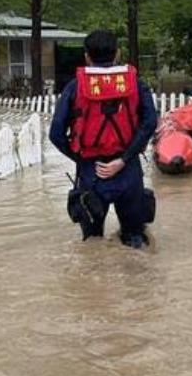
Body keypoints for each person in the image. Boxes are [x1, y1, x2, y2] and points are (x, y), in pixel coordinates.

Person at [50, 30, 159, 248]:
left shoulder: (74, 87)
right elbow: (149, 124)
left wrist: (81, 159)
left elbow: (56, 134)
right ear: (118, 54)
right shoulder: (136, 84)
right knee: (135, 240)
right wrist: (123, 160)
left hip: (92, 173)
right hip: (128, 171)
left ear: (86, 56)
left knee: (92, 243)